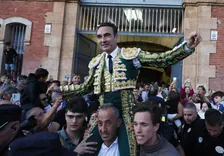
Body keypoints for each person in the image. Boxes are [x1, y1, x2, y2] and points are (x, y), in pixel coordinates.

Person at [61, 22, 202, 155]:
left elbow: (162, 59)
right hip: (103, 116)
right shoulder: (96, 62)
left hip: (126, 116)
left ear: (116, 36)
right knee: (86, 151)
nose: (103, 39)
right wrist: (61, 91)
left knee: (128, 152)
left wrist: (187, 47)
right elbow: (85, 87)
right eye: (100, 36)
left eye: (107, 35)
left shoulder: (130, 55)